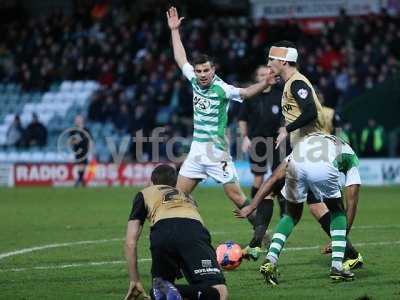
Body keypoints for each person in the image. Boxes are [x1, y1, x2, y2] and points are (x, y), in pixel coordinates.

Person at [167, 7, 275, 222]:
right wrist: (174, 30)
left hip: (216, 152)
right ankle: (182, 234)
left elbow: (244, 93)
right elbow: (181, 58)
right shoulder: (194, 81)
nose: (202, 75)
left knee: (236, 196)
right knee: (178, 197)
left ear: (213, 70)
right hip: (197, 150)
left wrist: (264, 83)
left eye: (206, 70)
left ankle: (261, 235)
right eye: (199, 71)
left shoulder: (222, 89)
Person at [267, 41, 363, 267]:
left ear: (282, 60)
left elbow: (309, 111)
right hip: (306, 154)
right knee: (318, 207)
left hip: (316, 152)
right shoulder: (289, 83)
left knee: (308, 209)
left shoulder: (297, 82)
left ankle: (345, 255)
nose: (268, 63)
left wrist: (286, 129)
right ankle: (345, 254)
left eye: (271, 59)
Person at [236, 133, 361, 284]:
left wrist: (252, 205)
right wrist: (341, 239)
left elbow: (274, 178)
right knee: (337, 211)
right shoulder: (350, 156)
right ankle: (336, 267)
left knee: (291, 215)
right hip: (323, 167)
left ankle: (271, 259)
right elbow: (352, 204)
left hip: (297, 163)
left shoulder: (305, 144)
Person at [124, 164, 228, 300]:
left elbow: (130, 242)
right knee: (220, 291)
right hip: (193, 230)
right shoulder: (188, 197)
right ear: (175, 183)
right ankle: (172, 291)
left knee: (162, 286)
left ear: (152, 181)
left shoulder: (145, 192)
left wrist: (135, 280)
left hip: (161, 233)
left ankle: (161, 291)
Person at [238, 65, 287, 257]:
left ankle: (284, 211)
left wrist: (284, 130)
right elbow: (242, 119)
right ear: (256, 77)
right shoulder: (251, 96)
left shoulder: (279, 94)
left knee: (280, 178)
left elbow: (286, 116)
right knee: (258, 180)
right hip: (257, 141)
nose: (264, 76)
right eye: (260, 74)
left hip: (276, 141)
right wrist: (244, 137)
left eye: (267, 74)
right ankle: (258, 214)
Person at [69, 115, 92, 187]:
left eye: (79, 119)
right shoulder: (73, 130)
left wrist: (90, 149)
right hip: (77, 150)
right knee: (80, 164)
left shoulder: (86, 130)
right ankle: (81, 180)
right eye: (77, 119)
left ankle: (80, 180)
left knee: (83, 164)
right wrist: (75, 141)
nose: (78, 121)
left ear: (82, 120)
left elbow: (90, 140)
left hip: (85, 150)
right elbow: (71, 141)